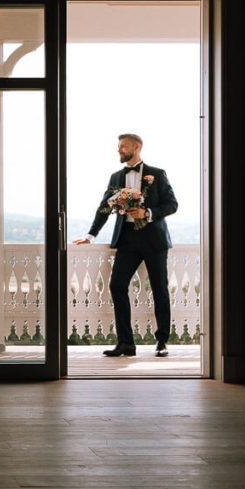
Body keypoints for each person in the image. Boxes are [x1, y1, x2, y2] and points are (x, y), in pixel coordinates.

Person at [73, 134, 177, 358]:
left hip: (154, 239)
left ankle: (162, 342)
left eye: (123, 146)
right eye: (118, 147)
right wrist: (90, 235)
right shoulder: (116, 177)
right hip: (127, 239)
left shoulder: (156, 174)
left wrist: (147, 213)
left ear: (136, 147)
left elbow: (172, 204)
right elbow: (105, 207)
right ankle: (126, 343)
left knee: (160, 289)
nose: (119, 150)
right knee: (117, 285)